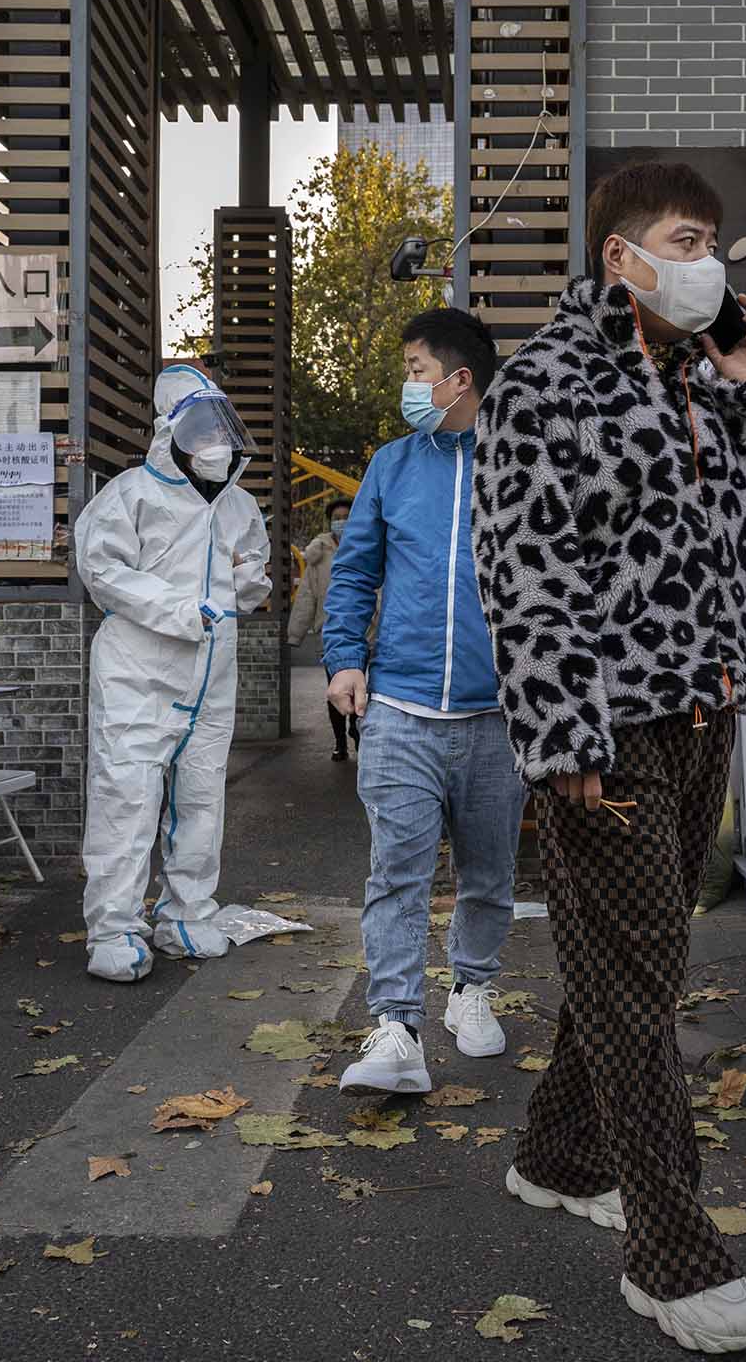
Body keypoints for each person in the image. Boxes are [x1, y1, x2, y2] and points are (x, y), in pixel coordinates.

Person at [472, 161, 746, 1353]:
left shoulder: (708, 383)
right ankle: (672, 1256)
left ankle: (559, 1156)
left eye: (715, 241)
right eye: (687, 238)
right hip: (606, 728)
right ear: (620, 257)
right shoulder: (543, 388)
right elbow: (525, 571)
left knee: (635, 962)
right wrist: (561, 730)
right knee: (633, 986)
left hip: (704, 716)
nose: (710, 261)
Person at [324, 307, 525, 1096]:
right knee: (397, 874)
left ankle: (471, 989)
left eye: (414, 369)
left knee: (489, 874)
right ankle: (396, 1026)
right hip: (401, 708)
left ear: (458, 379)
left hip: (497, 715)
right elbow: (353, 573)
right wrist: (344, 660)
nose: (406, 383)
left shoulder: (521, 467)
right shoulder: (392, 465)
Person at [75, 364, 271, 982]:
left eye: (221, 429)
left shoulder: (238, 504)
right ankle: (114, 927)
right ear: (170, 431)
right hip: (141, 671)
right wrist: (181, 609)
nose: (216, 444)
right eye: (202, 430)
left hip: (213, 674)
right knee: (127, 798)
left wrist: (247, 585)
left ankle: (186, 914)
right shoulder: (132, 493)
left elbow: (252, 568)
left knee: (201, 797)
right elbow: (102, 571)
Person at [288, 497, 360, 760]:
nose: (341, 521)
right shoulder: (319, 554)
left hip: (366, 630)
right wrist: (295, 633)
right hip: (331, 631)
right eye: (337, 517)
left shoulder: (366, 546)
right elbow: (308, 594)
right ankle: (340, 741)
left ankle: (358, 732)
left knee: (364, 689)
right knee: (336, 689)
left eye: (346, 516)